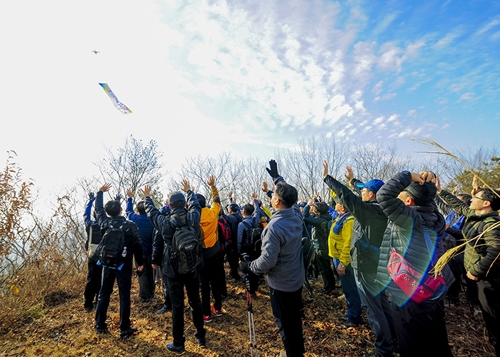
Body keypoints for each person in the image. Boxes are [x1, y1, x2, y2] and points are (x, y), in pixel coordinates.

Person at [376, 171, 454, 357]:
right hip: (433, 288)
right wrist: (427, 186)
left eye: (401, 194)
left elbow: (383, 195)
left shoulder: (409, 220)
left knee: (411, 342)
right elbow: (427, 201)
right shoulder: (436, 218)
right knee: (436, 338)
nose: (398, 196)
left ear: (409, 202)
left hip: (410, 292)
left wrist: (408, 175)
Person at [323, 161, 395, 357]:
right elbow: (357, 195)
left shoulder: (370, 211)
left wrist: (327, 178)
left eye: (364, 190)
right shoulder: (382, 209)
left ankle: (383, 350)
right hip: (379, 264)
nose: (360, 193)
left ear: (371, 195)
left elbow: (347, 197)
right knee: (383, 304)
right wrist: (354, 181)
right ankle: (393, 338)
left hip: (367, 266)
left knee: (373, 309)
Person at [241, 159, 305, 357]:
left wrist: (249, 266)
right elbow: (290, 197)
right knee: (294, 321)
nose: (271, 197)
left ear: (277, 201)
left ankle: (293, 353)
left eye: (273, 195)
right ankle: (296, 349)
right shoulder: (296, 215)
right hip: (296, 279)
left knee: (285, 324)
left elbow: (268, 261)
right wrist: (277, 179)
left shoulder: (273, 228)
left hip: (282, 285)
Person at [437, 179, 500, 356]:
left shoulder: (491, 225)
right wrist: (441, 191)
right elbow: (459, 204)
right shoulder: (476, 216)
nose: (471, 199)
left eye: (476, 197)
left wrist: (475, 270)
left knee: (492, 312)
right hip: (477, 274)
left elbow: (495, 250)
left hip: (487, 278)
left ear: (486, 203)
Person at [143, 181, 206, 354]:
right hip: (192, 266)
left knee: (177, 306)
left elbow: (152, 212)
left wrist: (147, 197)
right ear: (184, 205)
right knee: (195, 301)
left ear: (169, 206)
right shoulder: (193, 218)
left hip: (172, 270)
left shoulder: (165, 223)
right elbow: (196, 205)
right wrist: (189, 191)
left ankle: (179, 343)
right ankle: (201, 336)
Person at [94, 183, 144, 340]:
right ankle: (124, 328)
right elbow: (137, 245)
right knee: (124, 296)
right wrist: (140, 263)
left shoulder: (105, 223)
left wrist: (100, 193)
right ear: (121, 210)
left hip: (107, 264)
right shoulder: (130, 225)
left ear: (108, 213)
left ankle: (99, 325)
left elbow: (98, 210)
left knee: (104, 294)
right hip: (124, 265)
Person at [328, 199, 363, 327]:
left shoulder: (349, 221)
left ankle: (354, 318)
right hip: (337, 257)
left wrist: (343, 263)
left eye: (338, 202)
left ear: (343, 207)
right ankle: (351, 314)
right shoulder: (342, 217)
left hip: (344, 260)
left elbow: (348, 244)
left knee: (351, 289)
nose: (335, 203)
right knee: (347, 289)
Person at [196, 175, 225, 322]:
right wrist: (213, 187)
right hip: (214, 253)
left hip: (201, 255)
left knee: (204, 284)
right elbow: (217, 200)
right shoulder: (213, 213)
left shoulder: (193, 217)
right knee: (216, 281)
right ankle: (218, 308)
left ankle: (206, 313)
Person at [125, 188, 155, 302]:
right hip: (152, 251)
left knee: (142, 274)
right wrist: (148, 198)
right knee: (151, 274)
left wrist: (130, 198)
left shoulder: (136, 219)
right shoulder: (152, 219)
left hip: (139, 252)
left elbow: (129, 212)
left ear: (138, 210)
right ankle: (151, 294)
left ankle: (144, 297)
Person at [302, 199, 336, 294]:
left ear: (319, 211)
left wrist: (307, 206)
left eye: (315, 208)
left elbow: (305, 217)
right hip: (325, 245)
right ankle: (331, 285)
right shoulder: (326, 217)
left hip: (321, 248)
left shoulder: (319, 220)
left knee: (324, 269)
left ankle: (328, 288)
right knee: (327, 267)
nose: (313, 208)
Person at [237, 194, 262, 296]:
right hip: (256, 249)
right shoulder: (255, 219)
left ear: (244, 212)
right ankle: (255, 288)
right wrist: (255, 201)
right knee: (255, 269)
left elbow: (239, 240)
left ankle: (250, 292)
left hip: (247, 250)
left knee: (248, 271)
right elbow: (257, 211)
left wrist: (239, 252)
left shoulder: (241, 224)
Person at [83, 192, 102, 311]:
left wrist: (90, 201)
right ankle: (99, 301)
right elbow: (114, 215)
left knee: (91, 278)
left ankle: (88, 303)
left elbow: (86, 215)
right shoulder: (106, 224)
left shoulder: (89, 225)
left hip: (92, 255)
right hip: (103, 256)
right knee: (101, 278)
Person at [225, 201, 242, 280]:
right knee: (235, 258)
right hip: (239, 240)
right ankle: (234, 271)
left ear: (230, 210)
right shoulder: (240, 215)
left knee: (232, 259)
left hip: (232, 241)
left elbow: (222, 215)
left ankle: (235, 274)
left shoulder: (230, 218)